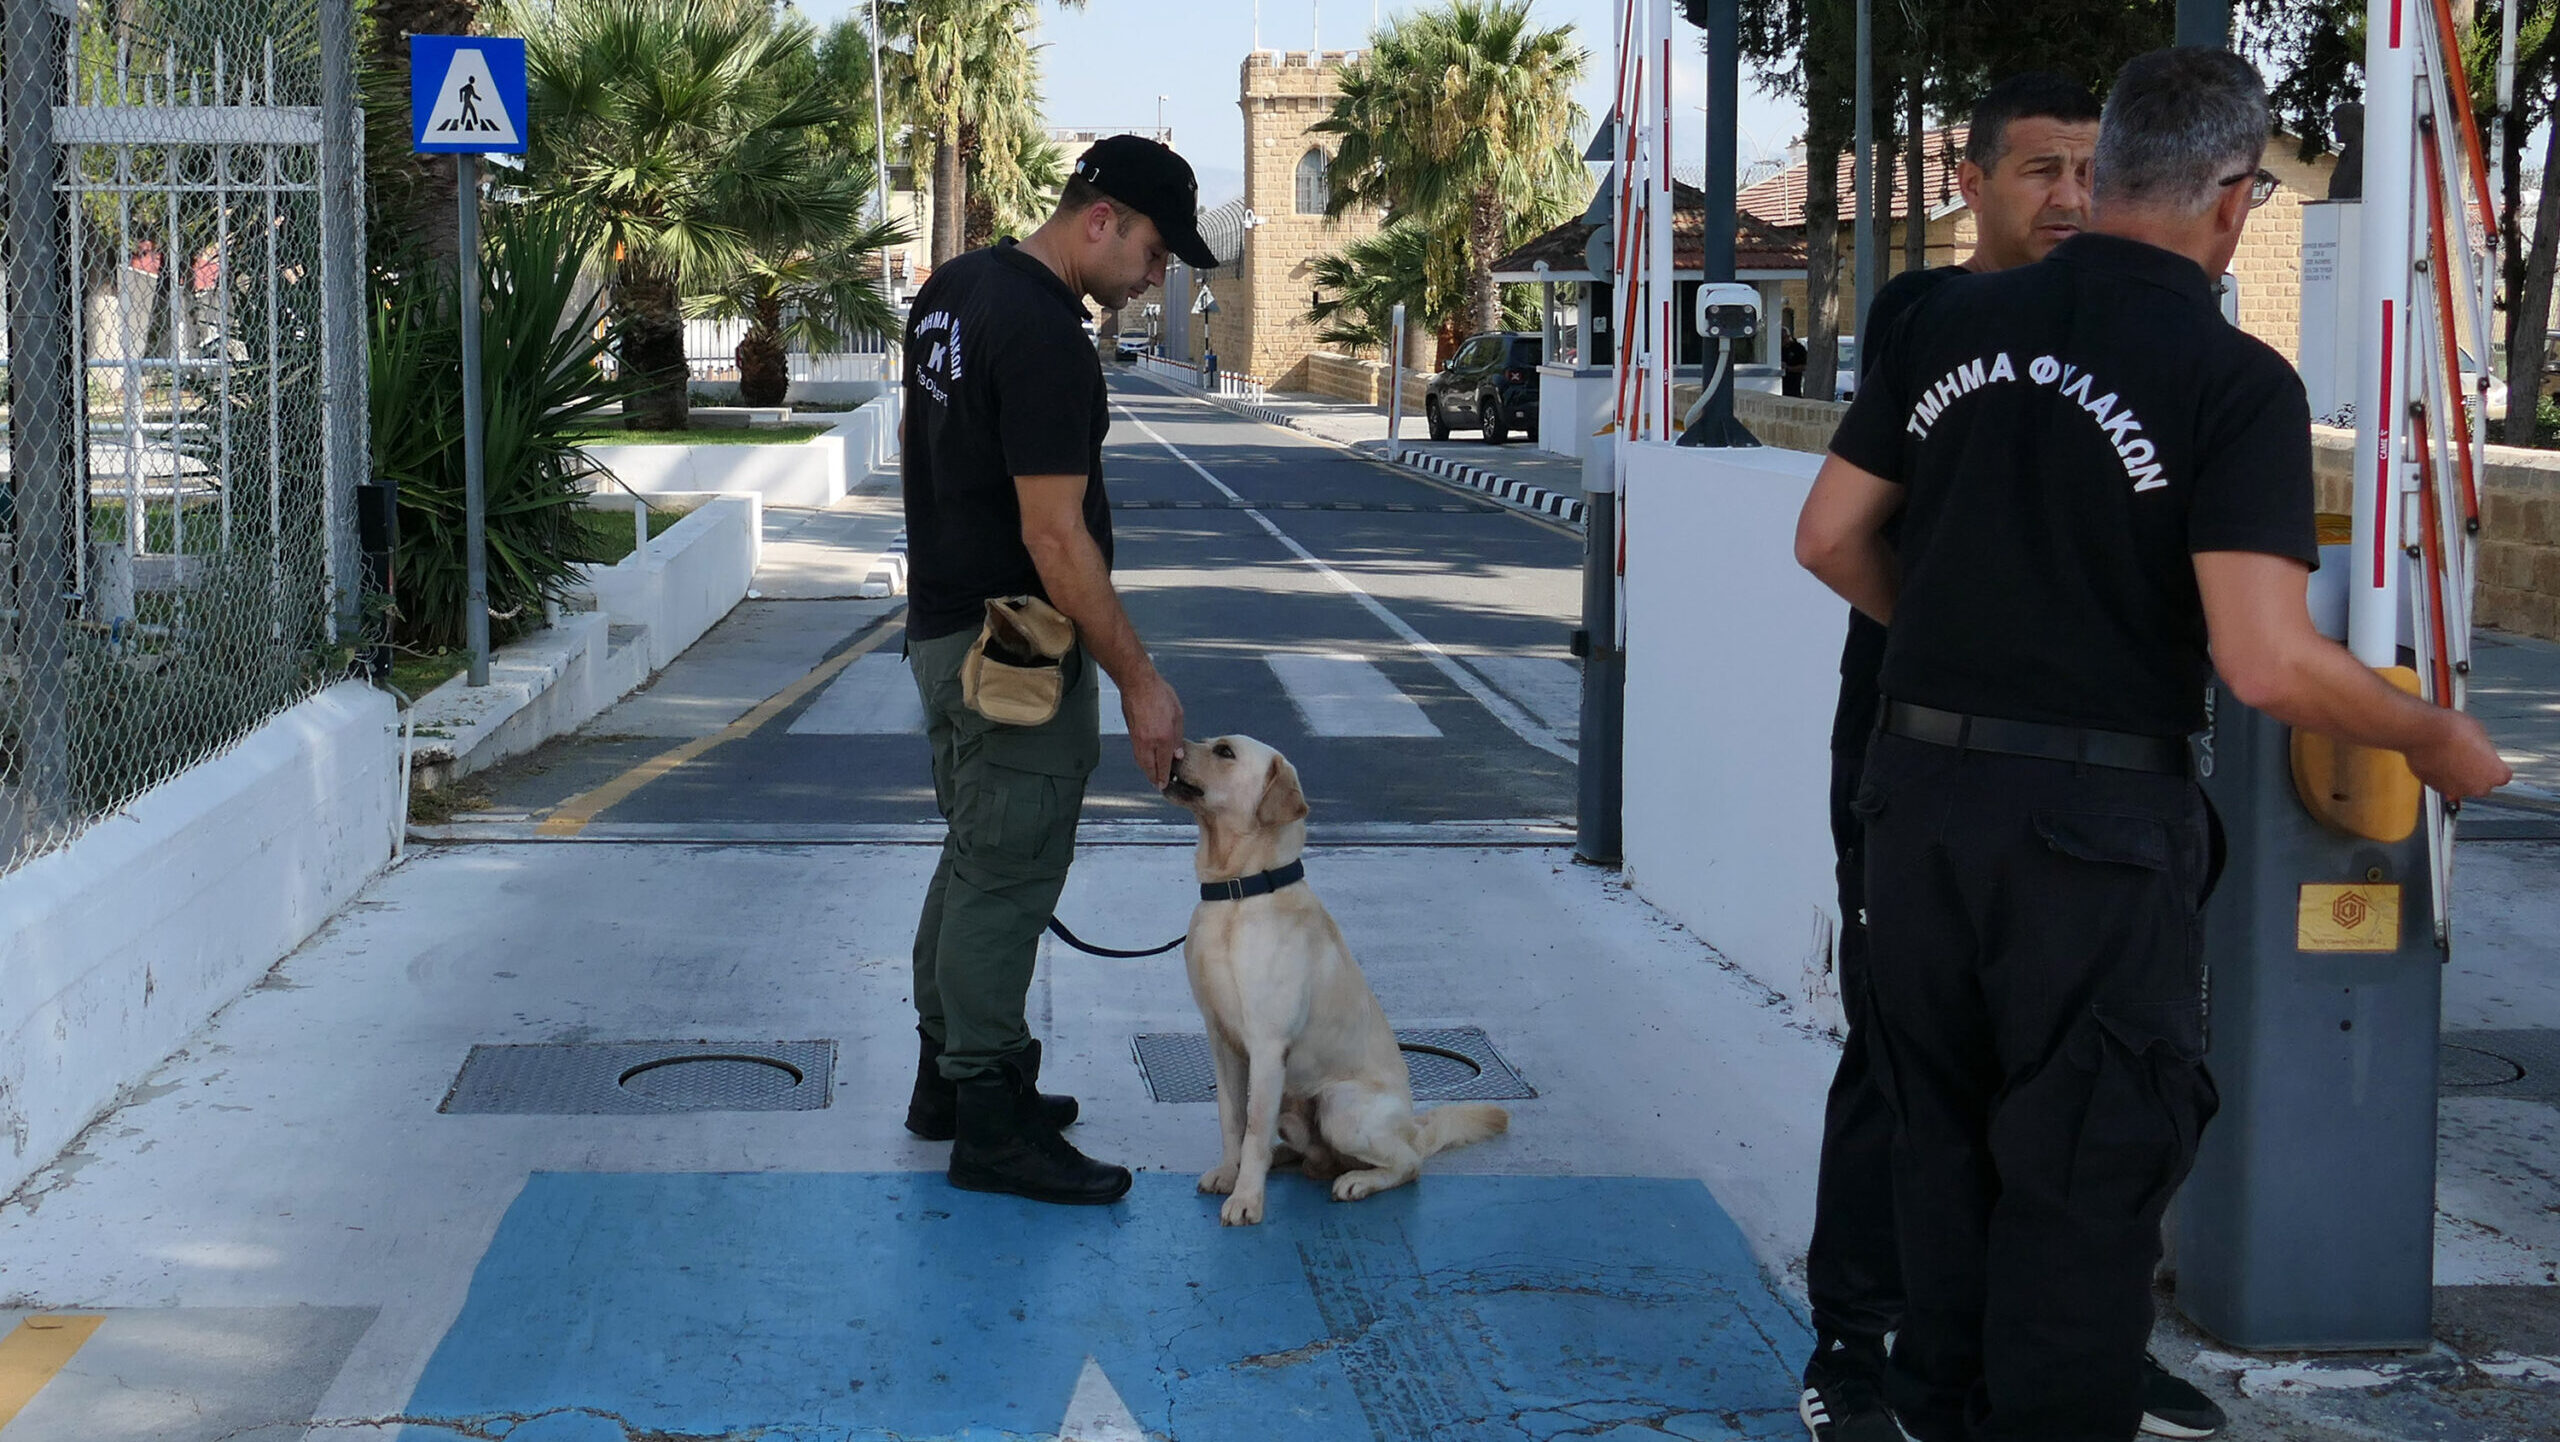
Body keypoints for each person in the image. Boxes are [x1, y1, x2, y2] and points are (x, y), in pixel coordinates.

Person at [1794, 47, 2509, 1442]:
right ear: (2234, 200)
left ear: (2106, 171)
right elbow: (2262, 658)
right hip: (2090, 838)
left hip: (1919, 801)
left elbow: (1829, 536)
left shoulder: (1944, 325)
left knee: (1943, 1164)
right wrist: (2430, 735)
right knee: (2080, 1185)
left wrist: (1954, 645)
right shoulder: (2230, 380)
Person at [1800, 71, 2209, 1442]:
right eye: (2041, 169)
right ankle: (1857, 1338)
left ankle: (2065, 1349)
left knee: (2081, 1090)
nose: (2073, 197)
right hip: (1920, 746)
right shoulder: (1934, 317)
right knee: (1906, 1063)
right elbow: (1840, 534)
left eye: (2094, 169)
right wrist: (1980, 643)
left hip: (2080, 784)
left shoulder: (2167, 330)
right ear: (1969, 182)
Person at [898, 134, 1215, 1205]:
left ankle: (948, 1080)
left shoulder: (954, 288)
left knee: (973, 852)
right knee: (1007, 871)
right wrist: (1138, 678)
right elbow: (1054, 536)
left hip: (943, 626)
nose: (1155, 276)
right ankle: (988, 1119)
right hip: (1017, 637)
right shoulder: (1043, 333)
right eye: (1156, 250)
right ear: (1101, 218)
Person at [1781, 326, 1809, 397]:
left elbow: (1804, 366)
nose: (1782, 342)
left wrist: (1788, 368)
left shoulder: (1798, 348)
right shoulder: (1779, 348)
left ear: (1788, 337)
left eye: (1783, 339)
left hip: (1793, 385)